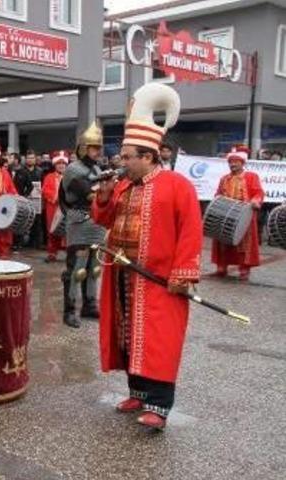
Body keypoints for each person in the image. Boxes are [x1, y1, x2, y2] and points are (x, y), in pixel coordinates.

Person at [92, 82, 202, 430]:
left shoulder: (178, 186)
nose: (122, 162)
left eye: (128, 157)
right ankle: (137, 393)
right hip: (123, 276)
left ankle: (159, 406)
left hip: (159, 280)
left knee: (158, 341)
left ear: (149, 157)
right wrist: (104, 197)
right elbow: (104, 220)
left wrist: (183, 273)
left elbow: (191, 232)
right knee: (129, 338)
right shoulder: (123, 186)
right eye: (122, 157)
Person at [60, 121, 107, 328]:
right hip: (79, 221)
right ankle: (69, 311)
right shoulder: (73, 169)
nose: (98, 151)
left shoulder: (97, 168)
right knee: (77, 269)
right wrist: (104, 188)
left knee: (94, 267)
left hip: (96, 222)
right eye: (94, 147)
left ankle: (90, 305)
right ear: (83, 148)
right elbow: (88, 193)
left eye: (99, 147)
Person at [211, 145, 264, 281]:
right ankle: (222, 267)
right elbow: (218, 193)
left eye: (236, 162)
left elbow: (258, 192)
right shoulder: (224, 178)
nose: (232, 164)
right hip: (226, 214)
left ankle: (244, 268)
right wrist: (217, 201)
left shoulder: (251, 177)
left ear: (242, 162)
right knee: (222, 241)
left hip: (244, 215)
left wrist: (255, 201)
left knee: (244, 243)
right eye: (230, 162)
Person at [42, 151, 68, 263]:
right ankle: (52, 252)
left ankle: (69, 252)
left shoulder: (70, 176)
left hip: (67, 207)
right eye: (59, 163)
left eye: (63, 163)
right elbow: (45, 190)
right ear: (55, 165)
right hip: (53, 207)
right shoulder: (49, 177)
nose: (61, 165)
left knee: (68, 230)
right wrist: (55, 197)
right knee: (52, 230)